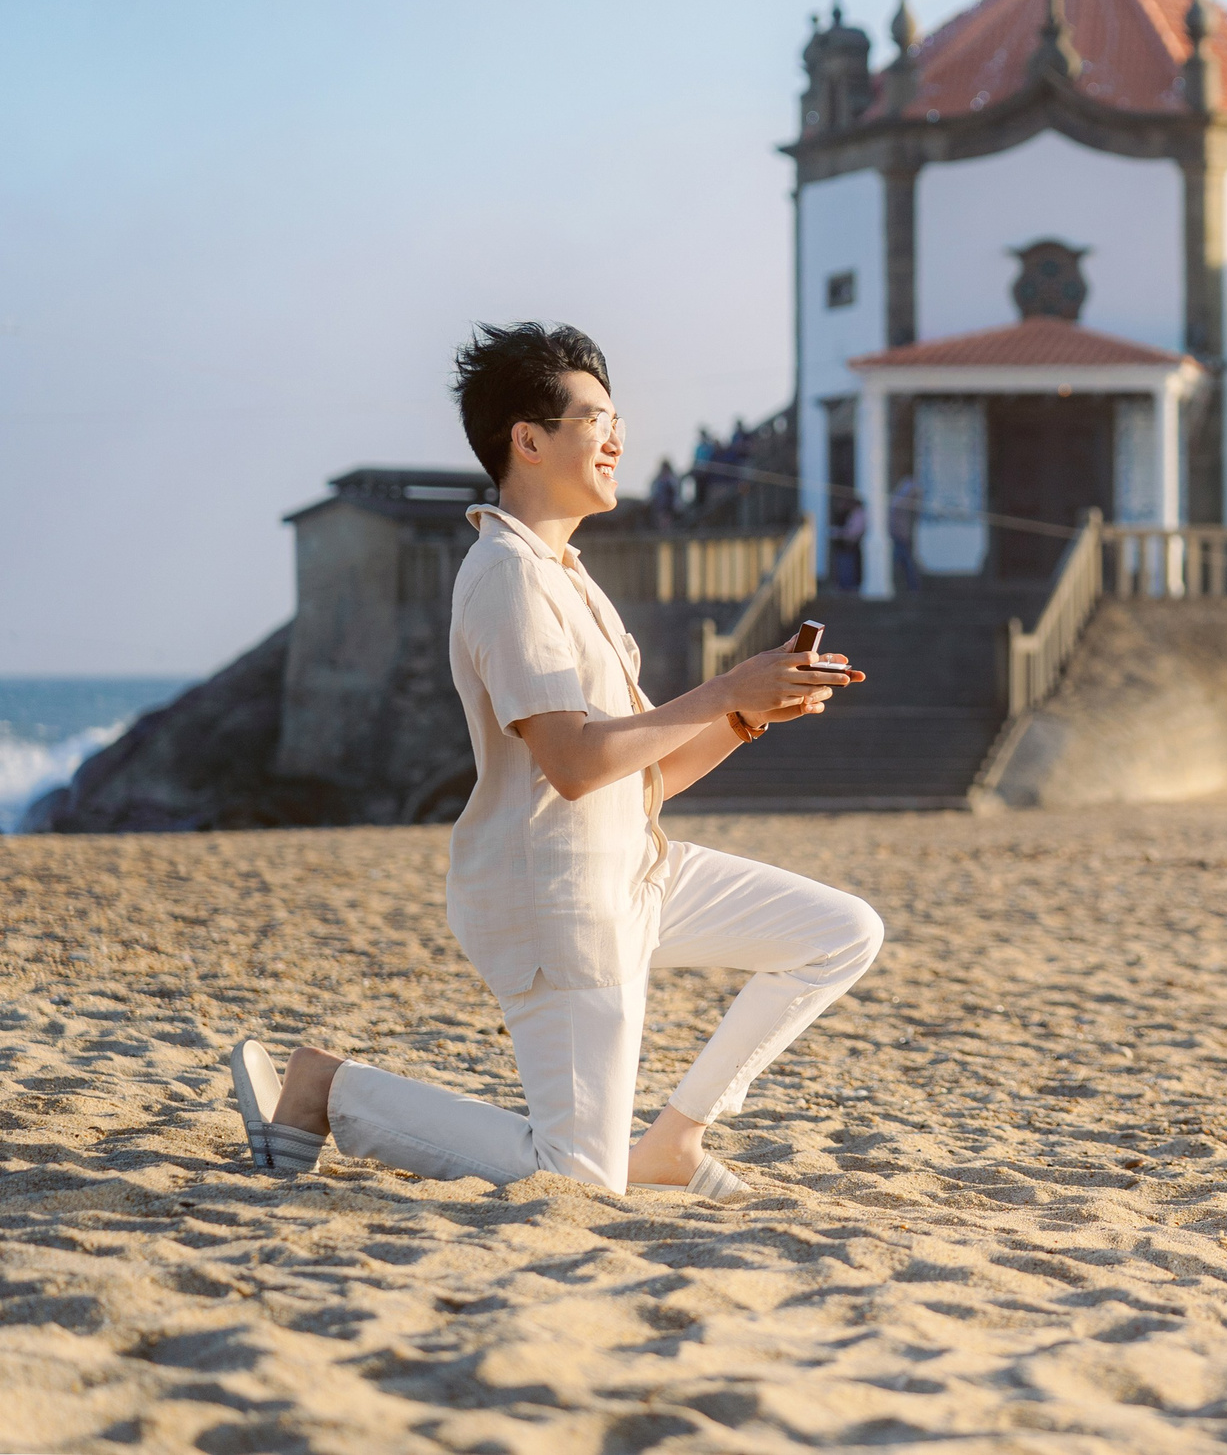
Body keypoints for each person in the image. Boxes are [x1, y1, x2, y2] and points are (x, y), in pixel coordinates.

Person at [225, 323, 880, 1203]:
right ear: (527, 441)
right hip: (558, 897)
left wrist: (745, 713)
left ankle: (674, 1142)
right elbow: (571, 764)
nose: (617, 440)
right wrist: (725, 683)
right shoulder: (505, 574)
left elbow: (642, 773)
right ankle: (327, 1087)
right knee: (571, 1177)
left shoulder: (567, 574)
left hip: (636, 874)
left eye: (617, 420)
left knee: (839, 933)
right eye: (595, 420)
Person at [887, 474, 922, 592]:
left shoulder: (902, 502)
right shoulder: (900, 501)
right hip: (899, 536)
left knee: (906, 562)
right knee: (905, 562)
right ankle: (913, 587)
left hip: (901, 536)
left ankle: (913, 587)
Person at [832, 495, 867, 592]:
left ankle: (847, 586)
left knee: (847, 568)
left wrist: (840, 533)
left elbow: (853, 531)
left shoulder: (857, 514)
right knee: (844, 567)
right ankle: (844, 586)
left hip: (849, 545)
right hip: (844, 545)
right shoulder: (848, 513)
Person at [647, 457, 679, 529]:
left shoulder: (672, 479)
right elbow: (653, 490)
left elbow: (675, 492)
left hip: (668, 503)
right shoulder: (658, 479)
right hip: (659, 503)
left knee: (667, 517)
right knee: (660, 517)